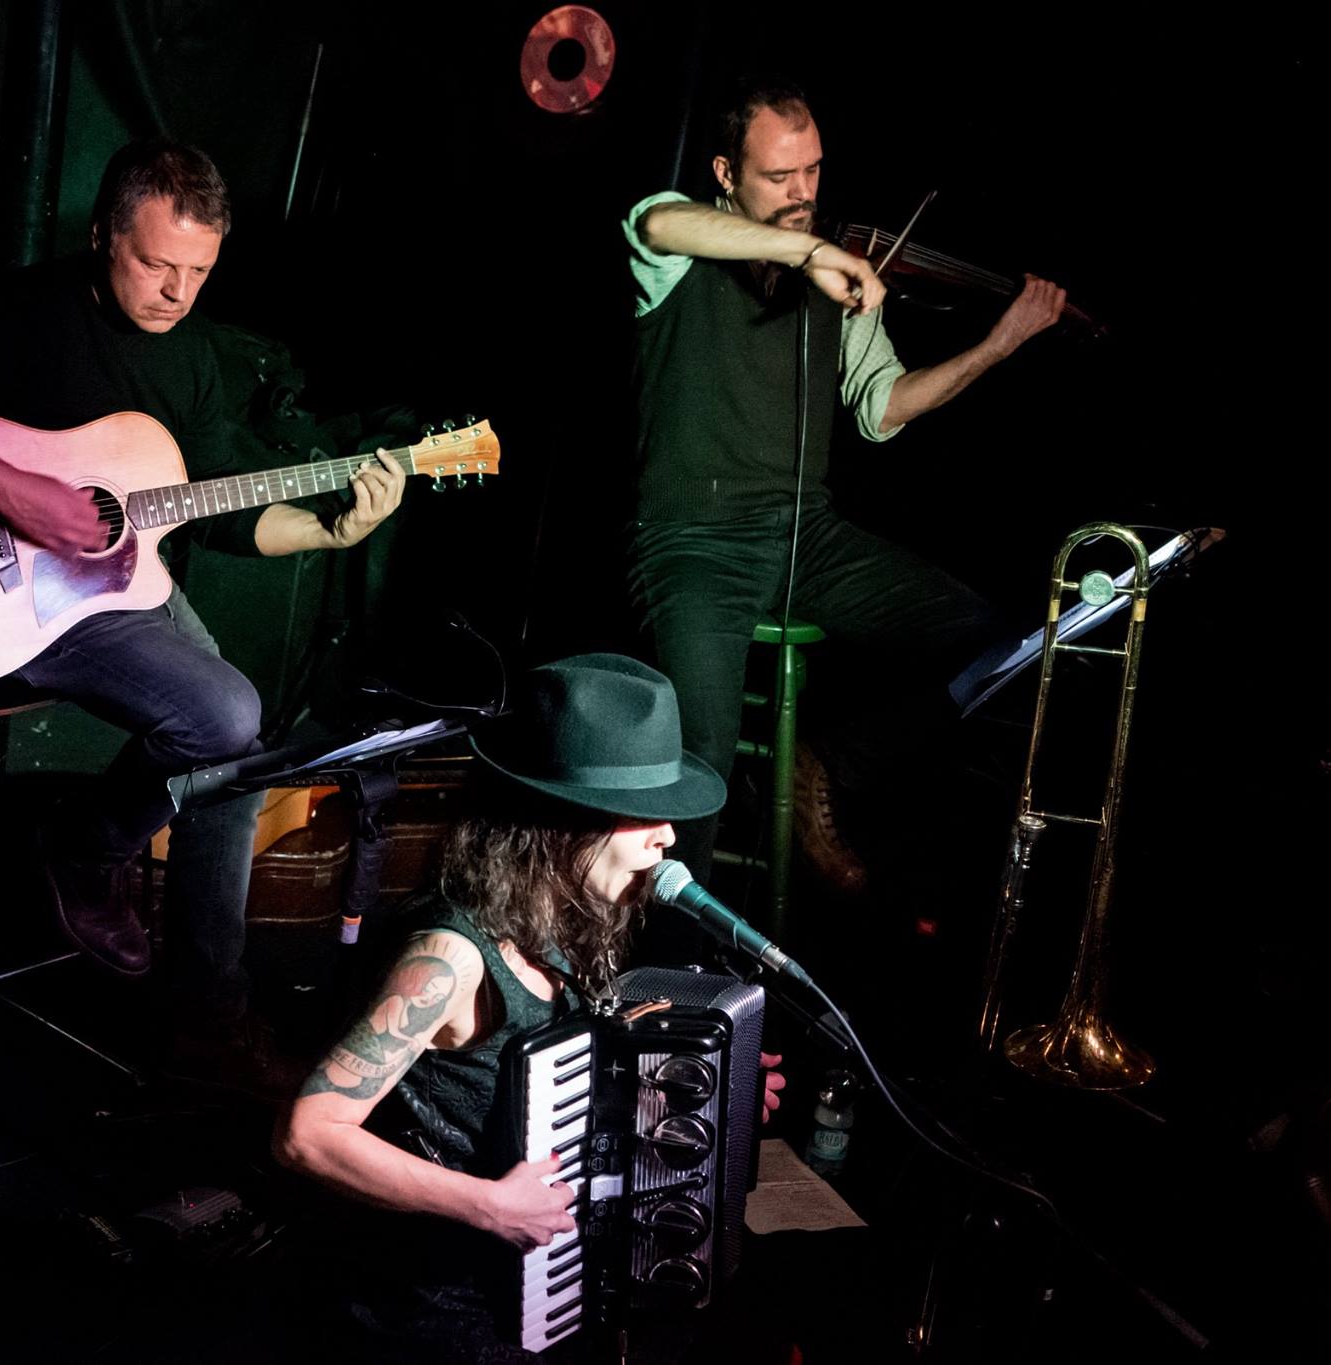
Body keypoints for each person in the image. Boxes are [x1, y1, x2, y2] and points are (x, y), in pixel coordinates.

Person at [0, 138, 405, 1066]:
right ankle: (83, 848)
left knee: (235, 757)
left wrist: (329, 532)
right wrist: (16, 495)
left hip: (114, 588)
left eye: (199, 272)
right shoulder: (30, 313)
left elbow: (214, 511)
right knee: (225, 714)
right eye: (156, 264)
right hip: (4, 601)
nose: (177, 293)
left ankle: (208, 1015)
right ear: (105, 233)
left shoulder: (194, 354)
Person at [274, 653, 785, 1362]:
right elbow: (309, 1134)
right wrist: (488, 1204)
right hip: (433, 1308)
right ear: (563, 818)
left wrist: (702, 1093)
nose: (667, 837)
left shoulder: (564, 917)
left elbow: (550, 1082)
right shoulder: (448, 958)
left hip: (539, 1286)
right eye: (645, 811)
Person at [623, 75, 1067, 884]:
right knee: (701, 766)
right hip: (694, 545)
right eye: (778, 176)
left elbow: (883, 406)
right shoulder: (680, 245)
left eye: (813, 171)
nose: (802, 194)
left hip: (806, 537)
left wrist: (997, 346)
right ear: (726, 173)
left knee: (997, 644)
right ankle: (675, 950)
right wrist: (814, 252)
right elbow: (658, 221)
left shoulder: (840, 278)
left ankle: (825, 764)